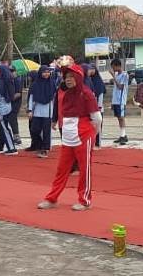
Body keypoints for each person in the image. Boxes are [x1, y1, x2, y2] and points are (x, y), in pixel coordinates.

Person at [38, 58, 102, 211]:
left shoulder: (86, 94)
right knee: (62, 169)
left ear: (79, 78)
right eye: (66, 78)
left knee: (84, 169)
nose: (68, 80)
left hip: (83, 135)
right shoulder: (66, 94)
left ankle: (85, 200)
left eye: (72, 77)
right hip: (67, 136)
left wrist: (93, 134)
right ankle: (52, 198)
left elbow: (97, 118)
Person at [27, 66, 56, 159]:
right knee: (34, 130)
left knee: (46, 132)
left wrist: (55, 112)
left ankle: (45, 149)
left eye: (48, 72)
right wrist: (30, 110)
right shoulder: (35, 84)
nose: (46, 74)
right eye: (44, 72)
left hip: (48, 112)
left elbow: (54, 98)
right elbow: (31, 98)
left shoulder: (52, 83)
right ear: (40, 73)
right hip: (37, 111)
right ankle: (39, 145)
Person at [0, 65, 18, 155]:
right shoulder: (10, 80)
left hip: (1, 107)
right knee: (6, 127)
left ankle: (11, 148)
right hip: (8, 105)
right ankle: (9, 147)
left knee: (5, 128)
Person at [109, 58, 129, 145]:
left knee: (121, 117)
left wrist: (113, 76)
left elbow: (120, 87)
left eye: (113, 67)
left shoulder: (124, 75)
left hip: (121, 100)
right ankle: (122, 135)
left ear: (117, 66)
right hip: (116, 100)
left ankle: (124, 136)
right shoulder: (117, 75)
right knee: (118, 118)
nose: (113, 69)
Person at [87, 64, 105, 150]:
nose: (91, 71)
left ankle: (98, 143)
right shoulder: (89, 80)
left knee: (98, 125)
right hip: (90, 107)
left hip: (98, 107)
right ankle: (92, 142)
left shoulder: (98, 81)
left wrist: (99, 107)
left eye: (92, 69)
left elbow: (100, 93)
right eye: (89, 69)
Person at [9, 66, 24, 145]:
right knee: (11, 120)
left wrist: (9, 99)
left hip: (15, 103)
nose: (11, 73)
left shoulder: (17, 80)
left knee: (13, 119)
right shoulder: (12, 80)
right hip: (12, 103)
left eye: (12, 71)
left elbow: (18, 93)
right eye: (10, 71)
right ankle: (14, 136)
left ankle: (17, 137)